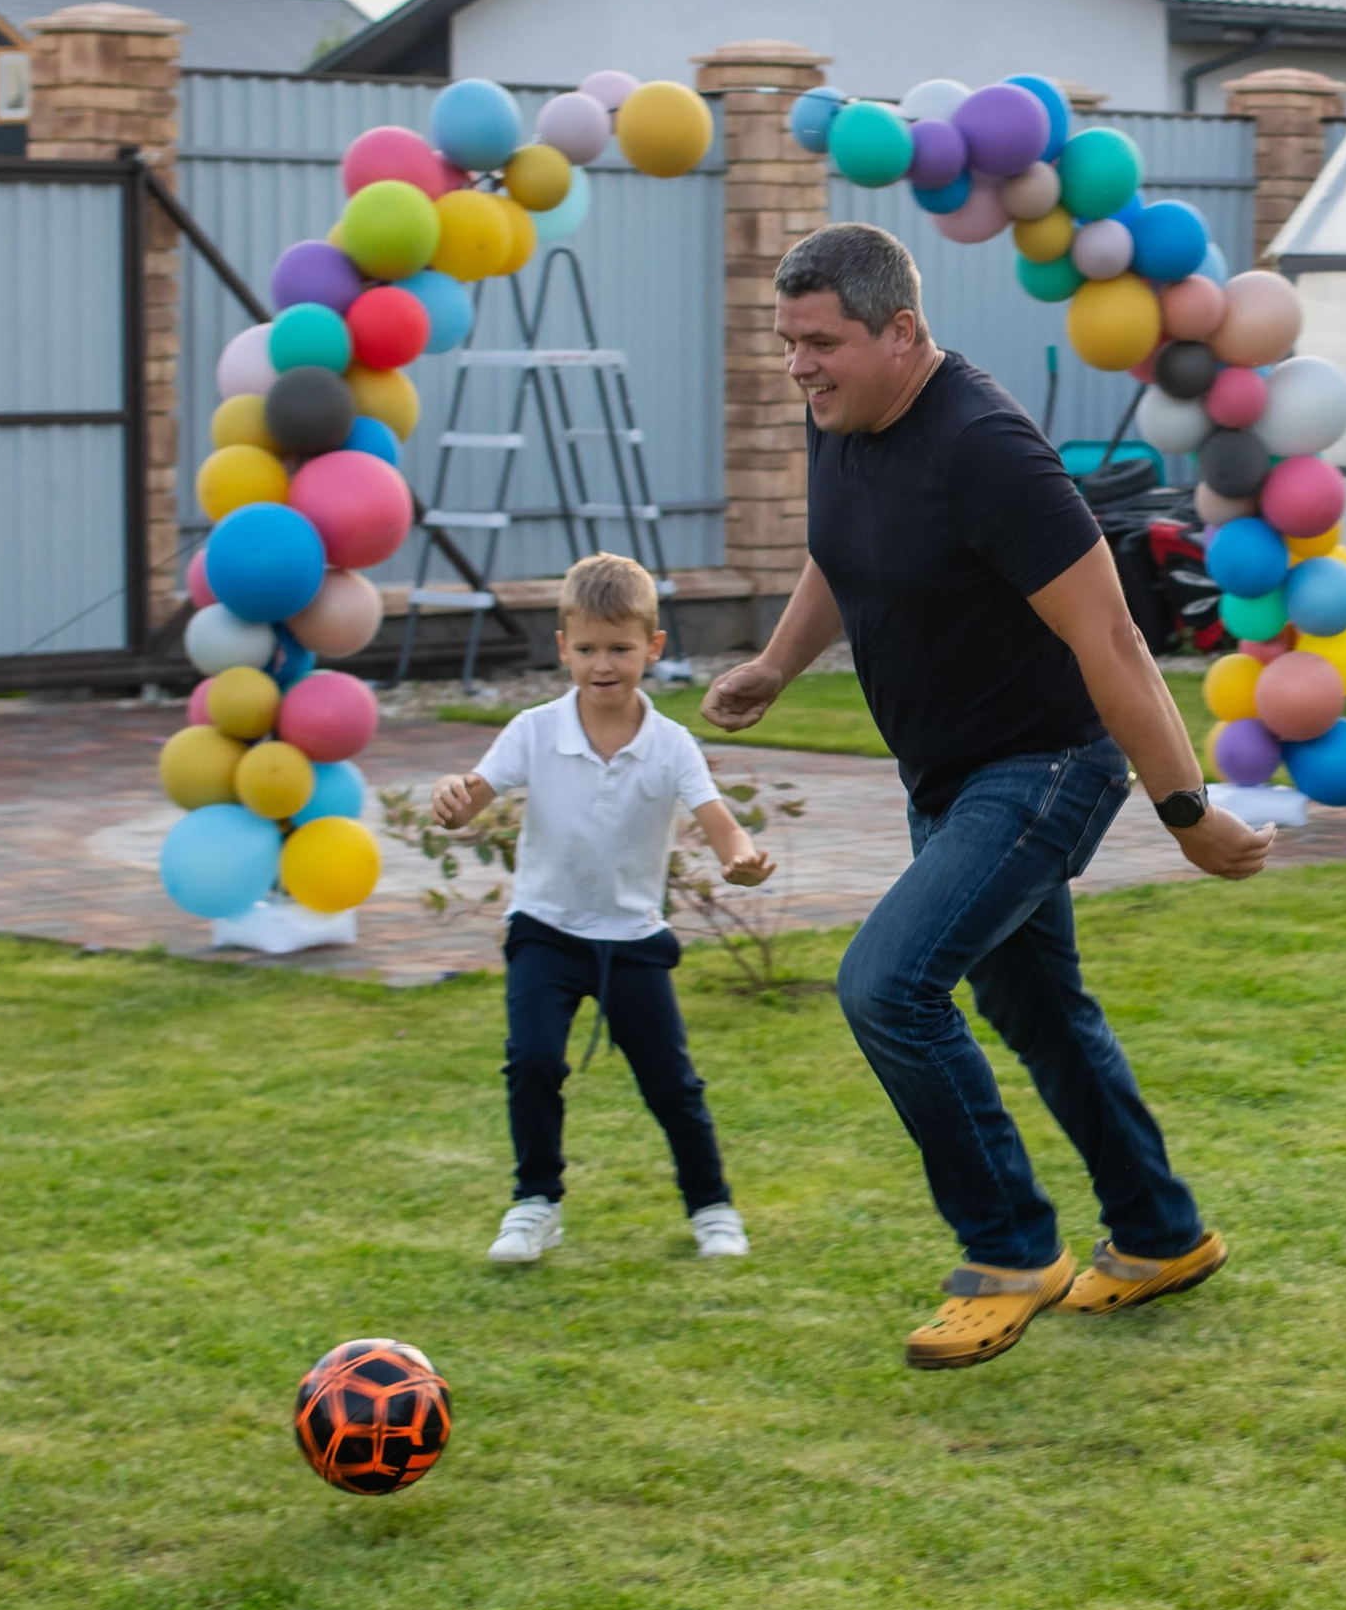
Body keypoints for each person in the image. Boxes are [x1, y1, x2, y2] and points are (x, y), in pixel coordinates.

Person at [702, 221, 1270, 1373]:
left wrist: (1185, 811)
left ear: (900, 331)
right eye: (788, 342)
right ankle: (1160, 1235)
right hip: (949, 777)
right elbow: (841, 551)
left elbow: (1110, 634)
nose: (799, 364)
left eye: (821, 343)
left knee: (887, 986)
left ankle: (1009, 1248)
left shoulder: (986, 448)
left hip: (1045, 766)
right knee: (1038, 1013)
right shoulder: (845, 420)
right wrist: (775, 662)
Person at [430, 552, 775, 1268]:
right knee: (531, 1061)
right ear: (563, 648)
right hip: (545, 932)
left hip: (634, 941)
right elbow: (472, 800)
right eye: (586, 649)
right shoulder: (532, 730)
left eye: (620, 648)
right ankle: (534, 1205)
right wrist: (453, 798)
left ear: (653, 647)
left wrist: (740, 855)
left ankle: (712, 1208)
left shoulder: (672, 744)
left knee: (673, 1087)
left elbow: (717, 820)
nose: (602, 664)